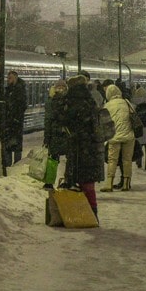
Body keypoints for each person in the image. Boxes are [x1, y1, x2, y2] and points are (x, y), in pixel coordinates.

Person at [53, 74, 102, 220]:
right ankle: (92, 214)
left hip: (79, 148)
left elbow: (62, 119)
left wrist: (57, 99)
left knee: (78, 181)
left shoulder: (74, 102)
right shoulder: (89, 101)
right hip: (90, 148)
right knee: (88, 183)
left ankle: (81, 215)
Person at [100, 83, 136, 192]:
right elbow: (133, 116)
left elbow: (104, 122)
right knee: (127, 160)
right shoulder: (127, 102)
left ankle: (109, 183)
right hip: (129, 136)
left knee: (112, 160)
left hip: (114, 136)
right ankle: (126, 183)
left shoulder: (107, 105)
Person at [42, 79, 68, 190]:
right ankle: (67, 181)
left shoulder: (51, 101)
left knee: (53, 159)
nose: (61, 88)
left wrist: (46, 138)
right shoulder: (69, 100)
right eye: (59, 86)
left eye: (62, 87)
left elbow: (48, 120)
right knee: (69, 159)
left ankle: (49, 182)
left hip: (55, 134)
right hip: (65, 134)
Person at [1, 70, 27, 168]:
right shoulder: (8, 90)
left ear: (15, 78)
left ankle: (16, 166)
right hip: (9, 124)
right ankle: (8, 167)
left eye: (10, 78)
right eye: (8, 78)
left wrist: (15, 118)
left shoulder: (19, 90)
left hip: (15, 124)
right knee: (8, 146)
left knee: (15, 146)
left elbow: (22, 106)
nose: (8, 80)